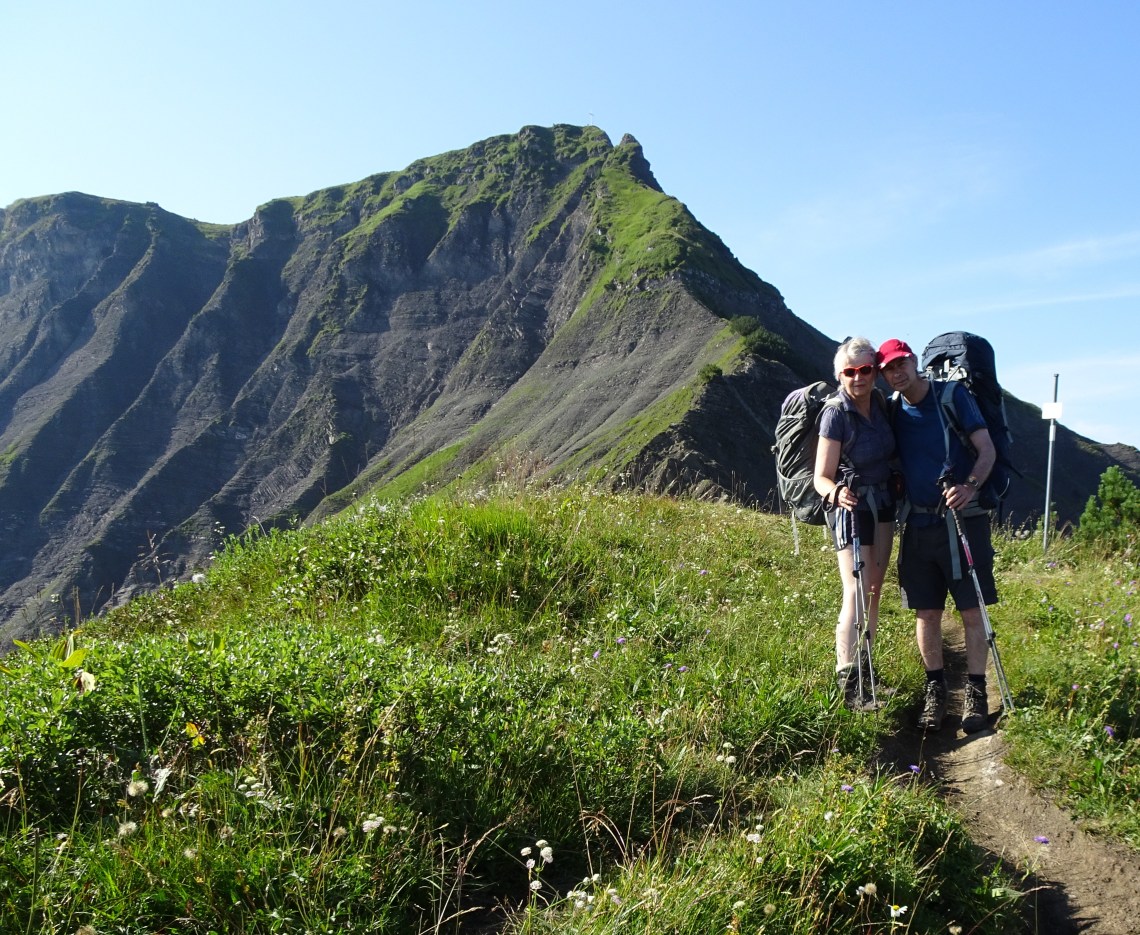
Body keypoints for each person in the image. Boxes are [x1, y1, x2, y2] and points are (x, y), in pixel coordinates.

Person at [877, 337, 997, 733]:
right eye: (888, 369)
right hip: (919, 524)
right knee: (926, 613)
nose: (896, 373)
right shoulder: (894, 410)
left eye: (900, 364)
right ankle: (935, 691)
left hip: (964, 521)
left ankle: (976, 692)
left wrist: (970, 486)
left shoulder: (952, 396)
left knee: (970, 610)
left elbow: (986, 449)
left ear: (913, 362)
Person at [813, 337, 897, 708]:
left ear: (875, 372)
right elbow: (821, 477)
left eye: (865, 370)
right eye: (850, 372)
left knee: (874, 592)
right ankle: (847, 681)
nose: (858, 378)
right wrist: (837, 494)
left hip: (883, 506)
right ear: (839, 375)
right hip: (851, 507)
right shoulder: (835, 413)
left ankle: (867, 675)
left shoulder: (879, 404)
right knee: (856, 590)